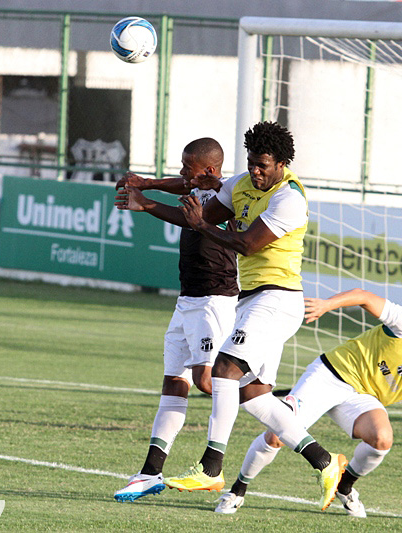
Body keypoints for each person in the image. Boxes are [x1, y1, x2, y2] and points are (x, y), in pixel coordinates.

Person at [116, 121, 346, 511]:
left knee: (223, 370)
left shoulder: (289, 198)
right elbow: (196, 212)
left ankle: (211, 467)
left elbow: (247, 244)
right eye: (252, 163)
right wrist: (149, 204)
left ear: (282, 164)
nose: (256, 171)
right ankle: (325, 461)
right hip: (251, 300)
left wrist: (202, 224)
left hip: (278, 299)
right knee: (253, 396)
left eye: (263, 166)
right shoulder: (240, 183)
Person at [214, 289, 402, 521]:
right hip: (330, 374)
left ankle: (344, 487)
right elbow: (364, 297)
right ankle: (237, 490)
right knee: (276, 436)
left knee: (382, 439)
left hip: (362, 398)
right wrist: (327, 305)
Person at [112, 138, 240, 502]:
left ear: (210, 170)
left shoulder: (226, 196)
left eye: (189, 168)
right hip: (188, 298)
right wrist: (147, 183)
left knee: (205, 380)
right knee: (174, 382)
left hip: (214, 299)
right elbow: (182, 187)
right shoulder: (199, 185)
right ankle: (150, 472)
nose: (184, 175)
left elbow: (188, 217)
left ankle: (266, 401)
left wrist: (147, 202)